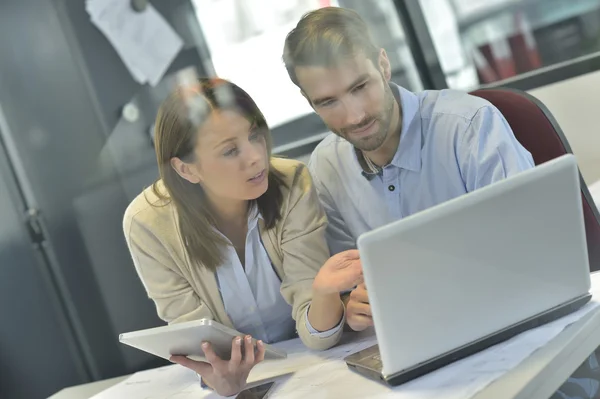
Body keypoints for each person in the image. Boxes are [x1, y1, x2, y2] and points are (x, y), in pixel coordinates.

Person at [282, 7, 535, 332]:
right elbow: (350, 282)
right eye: (328, 102)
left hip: (512, 316)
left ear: (383, 65)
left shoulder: (469, 126)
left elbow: (530, 246)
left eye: (360, 87)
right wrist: (352, 304)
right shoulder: (325, 167)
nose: (354, 116)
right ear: (309, 102)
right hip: (417, 335)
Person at [123, 78, 362, 396]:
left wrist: (323, 291)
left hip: (310, 365)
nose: (255, 157)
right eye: (230, 150)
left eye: (255, 136)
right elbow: (197, 342)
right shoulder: (148, 224)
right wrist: (216, 377)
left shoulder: (293, 184)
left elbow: (318, 333)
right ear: (186, 169)